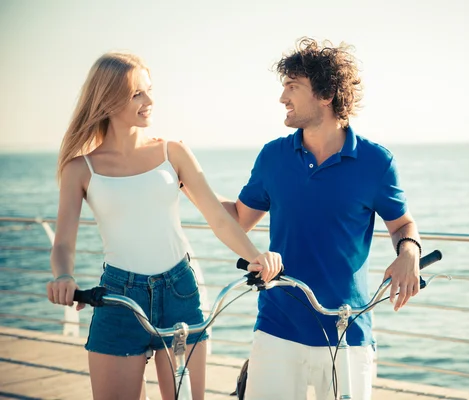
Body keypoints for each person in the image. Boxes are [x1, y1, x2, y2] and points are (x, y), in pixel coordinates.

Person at [45, 52, 282, 400]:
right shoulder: (80, 169)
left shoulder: (174, 153)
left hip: (180, 293)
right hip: (118, 299)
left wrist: (254, 257)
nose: (150, 101)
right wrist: (63, 275)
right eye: (137, 93)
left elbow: (217, 217)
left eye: (149, 90)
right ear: (108, 98)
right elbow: (64, 242)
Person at [220, 38, 422, 400]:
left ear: (326, 94)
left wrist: (409, 254)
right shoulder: (273, 156)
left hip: (348, 330)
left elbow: (402, 225)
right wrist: (186, 182)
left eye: (293, 87)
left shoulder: (376, 162)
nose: (283, 98)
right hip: (277, 325)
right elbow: (238, 218)